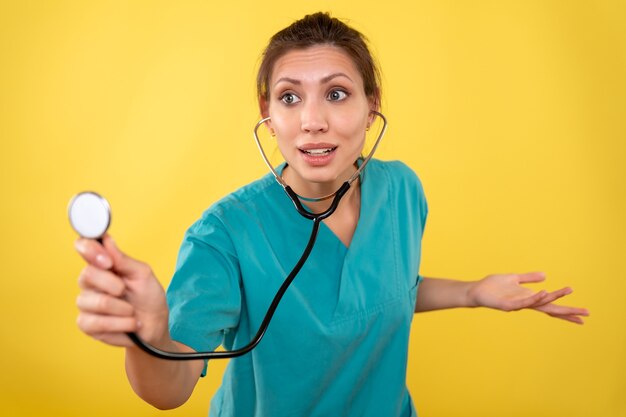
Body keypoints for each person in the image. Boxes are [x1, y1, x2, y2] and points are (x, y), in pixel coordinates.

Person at [74, 12, 589, 417]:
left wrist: (473, 292)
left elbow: (386, 290)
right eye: (290, 98)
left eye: (336, 94)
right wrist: (149, 340)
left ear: (372, 106)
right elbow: (170, 390)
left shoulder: (403, 190)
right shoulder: (223, 235)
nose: (312, 122)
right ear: (268, 118)